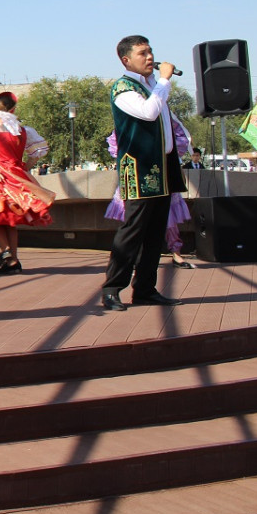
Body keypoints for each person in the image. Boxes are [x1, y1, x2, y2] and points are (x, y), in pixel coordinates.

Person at [100, 36, 186, 311]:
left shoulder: (150, 86)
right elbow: (149, 113)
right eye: (142, 53)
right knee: (133, 230)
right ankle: (112, 289)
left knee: (155, 231)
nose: (150, 57)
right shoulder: (123, 88)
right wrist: (164, 81)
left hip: (161, 166)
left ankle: (146, 289)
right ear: (126, 60)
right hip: (138, 168)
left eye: (150, 52)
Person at [0, 92, 54, 275]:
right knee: (10, 219)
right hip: (17, 175)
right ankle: (13, 261)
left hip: (0, 175)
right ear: (14, 109)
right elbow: (37, 153)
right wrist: (25, 168)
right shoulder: (22, 131)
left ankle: (6, 252)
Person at [105, 122, 195, 272]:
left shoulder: (165, 120)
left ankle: (176, 253)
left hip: (161, 173)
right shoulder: (129, 118)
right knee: (134, 221)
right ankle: (131, 258)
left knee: (168, 218)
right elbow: (116, 144)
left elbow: (179, 139)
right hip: (137, 174)